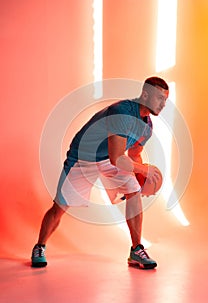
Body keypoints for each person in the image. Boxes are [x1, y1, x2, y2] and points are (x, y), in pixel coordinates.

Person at [31, 77, 169, 269]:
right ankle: (40, 246)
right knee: (60, 208)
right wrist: (144, 170)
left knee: (134, 190)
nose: (163, 104)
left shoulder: (147, 127)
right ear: (145, 94)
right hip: (83, 158)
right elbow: (118, 159)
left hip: (109, 158)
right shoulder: (121, 112)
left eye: (165, 100)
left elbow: (134, 155)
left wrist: (142, 179)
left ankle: (136, 250)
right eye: (160, 99)